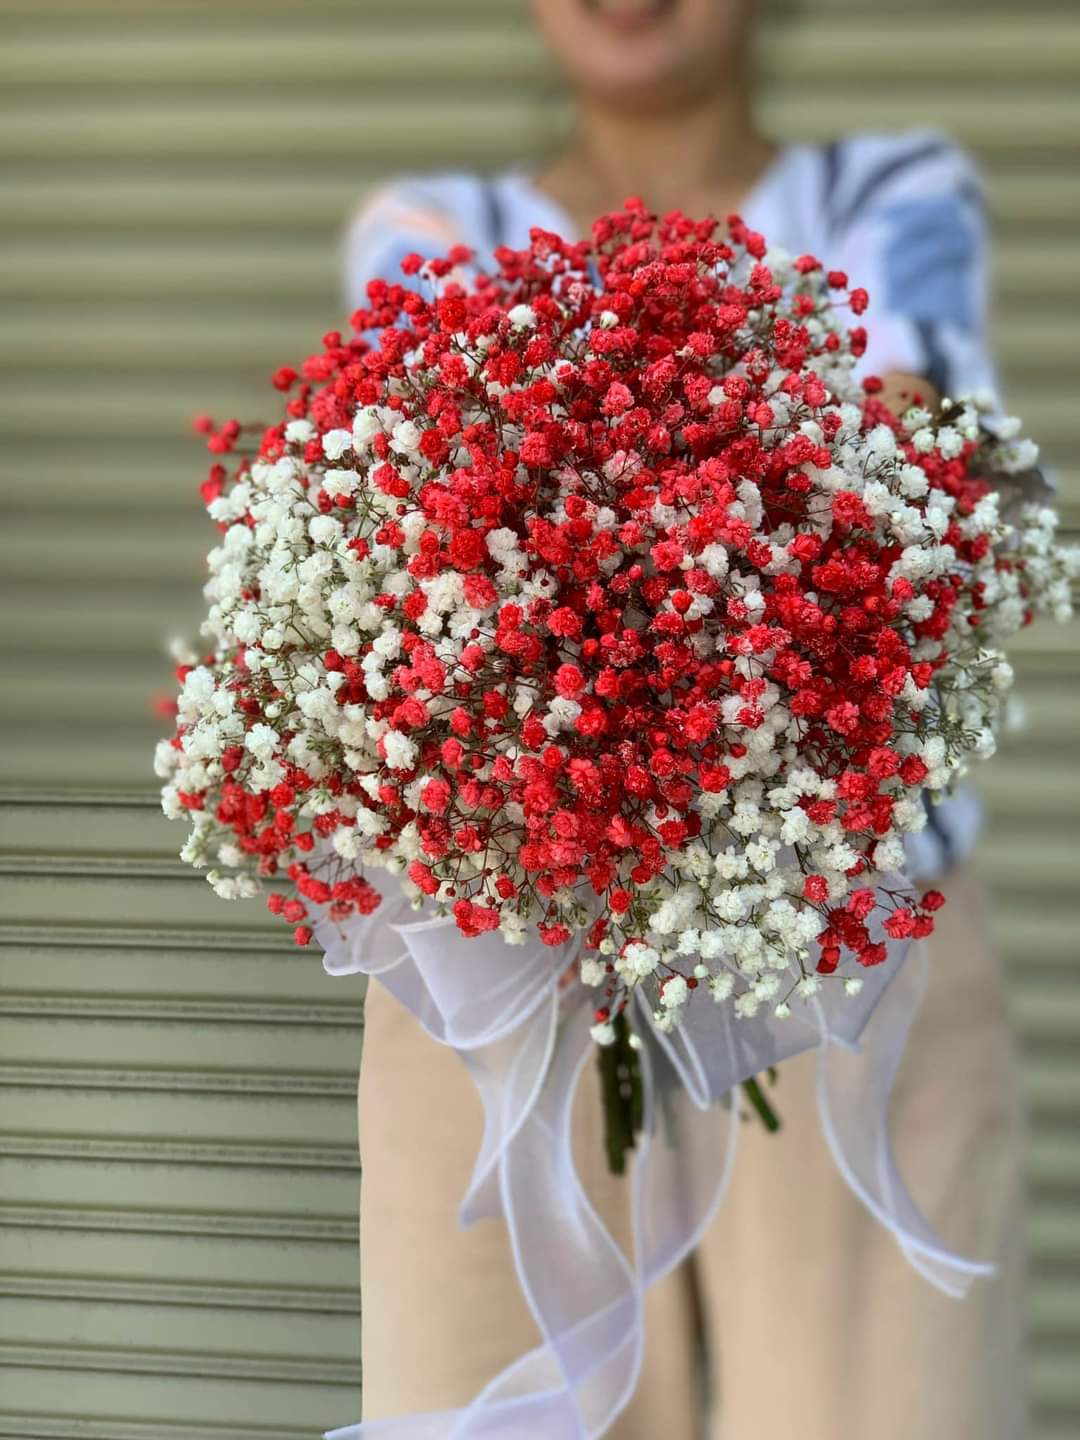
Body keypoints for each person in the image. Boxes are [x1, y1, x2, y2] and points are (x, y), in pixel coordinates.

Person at [340, 3, 1025, 1435]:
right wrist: (761, 483)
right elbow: (409, 557)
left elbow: (928, 490)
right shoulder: (426, 228)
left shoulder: (891, 193)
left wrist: (566, 516)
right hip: (500, 965)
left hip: (851, 942)